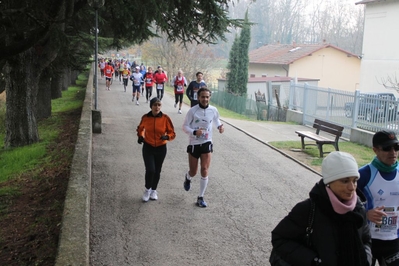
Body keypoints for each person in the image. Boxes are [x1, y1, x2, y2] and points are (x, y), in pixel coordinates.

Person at [271, 151, 372, 266]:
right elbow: (280, 238)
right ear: (329, 181)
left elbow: (366, 239)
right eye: (345, 181)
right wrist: (313, 261)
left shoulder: (358, 208)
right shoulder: (308, 209)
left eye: (355, 180)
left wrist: (365, 260)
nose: (352, 187)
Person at [358, 130, 399, 266]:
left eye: (396, 147)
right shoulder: (363, 175)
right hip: (368, 239)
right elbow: (346, 205)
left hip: (394, 240)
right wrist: (365, 213)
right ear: (375, 150)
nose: (393, 152)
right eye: (387, 148)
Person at [182, 87, 224, 208]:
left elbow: (216, 121)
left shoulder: (213, 110)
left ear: (209, 97)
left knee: (204, 169)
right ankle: (188, 177)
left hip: (207, 142)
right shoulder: (192, 111)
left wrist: (220, 127)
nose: (205, 99)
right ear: (198, 97)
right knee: (194, 171)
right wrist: (195, 132)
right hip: (194, 143)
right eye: (202, 97)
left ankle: (200, 197)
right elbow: (184, 127)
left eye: (207, 97)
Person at [136, 97, 176, 202]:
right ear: (151, 106)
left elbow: (172, 133)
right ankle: (147, 189)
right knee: (150, 170)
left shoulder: (165, 118)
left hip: (161, 148)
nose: (157, 107)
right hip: (148, 147)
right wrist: (140, 136)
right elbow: (140, 128)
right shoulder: (145, 117)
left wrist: (167, 137)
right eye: (155, 105)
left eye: (159, 105)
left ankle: (154, 190)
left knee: (157, 170)